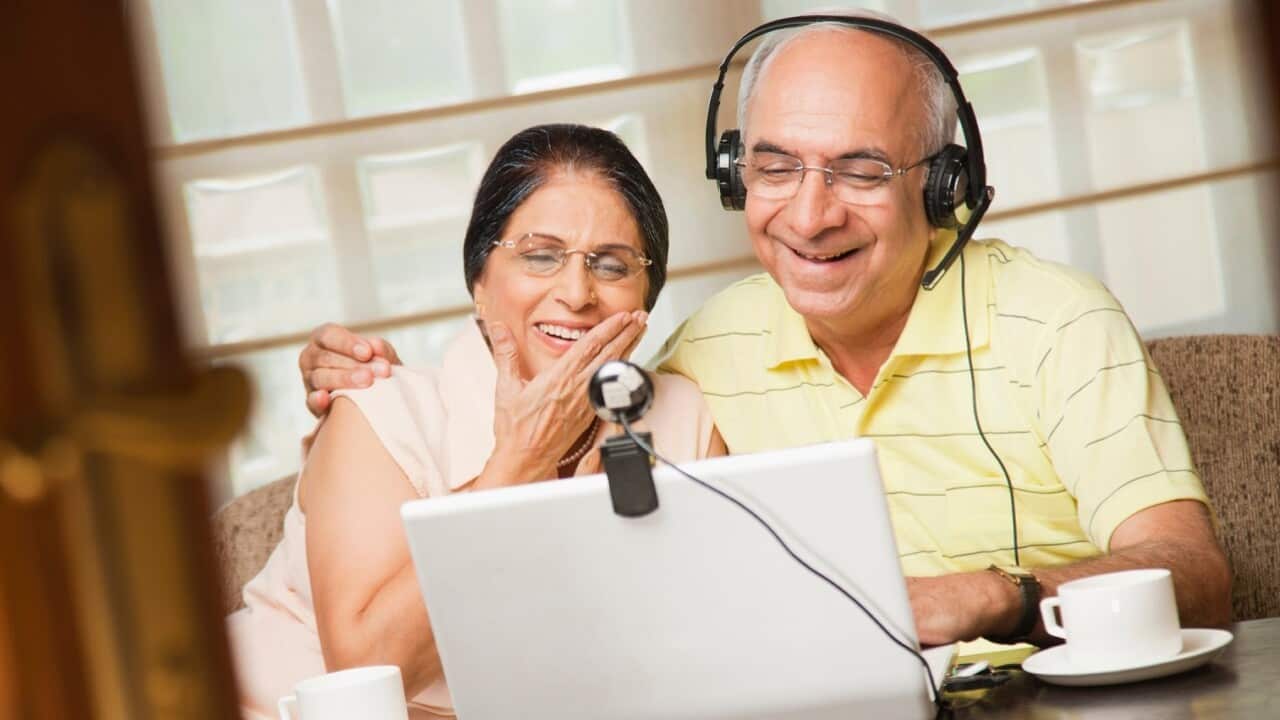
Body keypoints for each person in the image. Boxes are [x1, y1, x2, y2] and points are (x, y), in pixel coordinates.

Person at [299, 14, 1231, 651]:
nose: (809, 214)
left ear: (943, 187)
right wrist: (340, 416)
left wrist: (999, 594)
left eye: (860, 170)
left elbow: (1194, 577)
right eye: (776, 166)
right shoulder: (703, 356)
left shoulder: (1059, 319)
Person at [229, 123, 725, 720]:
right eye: (540, 256)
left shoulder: (683, 420)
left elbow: (708, 653)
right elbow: (367, 673)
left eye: (613, 266)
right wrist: (519, 466)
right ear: (480, 282)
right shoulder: (379, 412)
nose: (576, 292)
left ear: (647, 296)